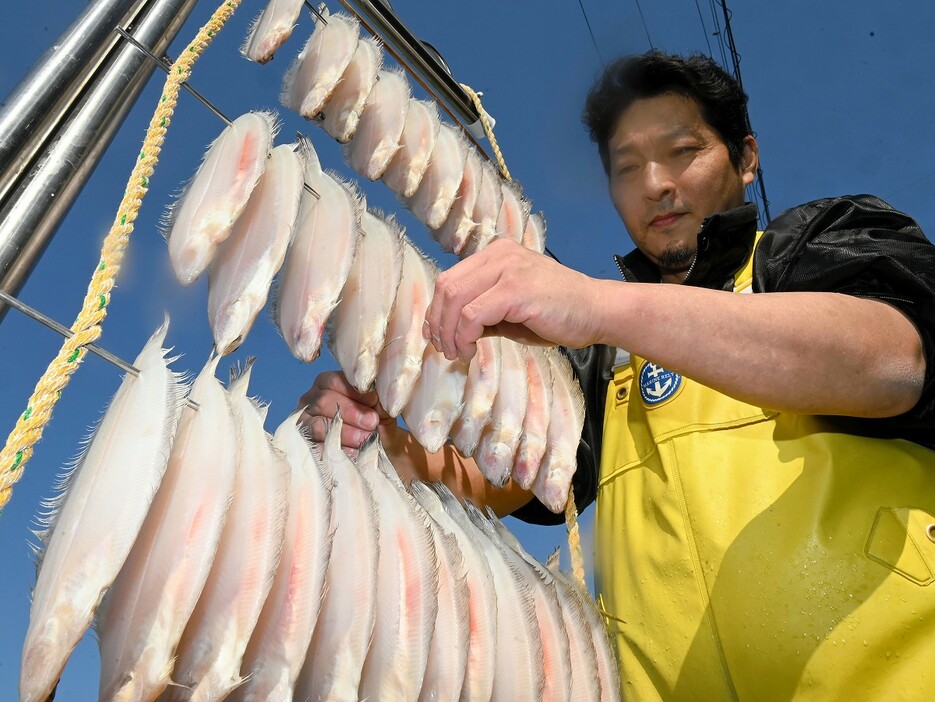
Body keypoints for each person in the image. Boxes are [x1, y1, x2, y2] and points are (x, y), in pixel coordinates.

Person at [299, 51, 935, 700]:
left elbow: (891, 358)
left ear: (745, 159)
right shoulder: (608, 365)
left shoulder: (813, 244)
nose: (654, 183)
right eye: (627, 167)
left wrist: (598, 305)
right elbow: (499, 474)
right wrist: (388, 446)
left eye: (681, 151)